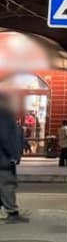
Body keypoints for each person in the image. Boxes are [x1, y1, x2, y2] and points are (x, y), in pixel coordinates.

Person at [0, 94, 27, 222]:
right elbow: (6, 137)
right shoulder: (4, 115)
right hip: (3, 158)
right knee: (7, 184)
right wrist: (13, 155)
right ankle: (12, 213)